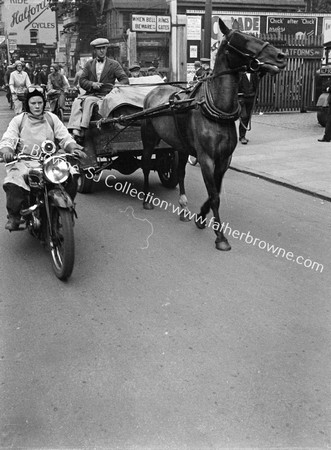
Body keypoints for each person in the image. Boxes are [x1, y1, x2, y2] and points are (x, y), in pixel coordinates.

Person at [0, 87, 85, 231]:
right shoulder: (19, 120)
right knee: (14, 182)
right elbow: (9, 138)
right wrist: (7, 151)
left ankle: (67, 206)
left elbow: (64, 137)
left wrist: (73, 147)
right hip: (25, 161)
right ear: (28, 104)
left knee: (71, 174)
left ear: (44, 103)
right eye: (33, 103)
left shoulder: (52, 118)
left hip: (50, 161)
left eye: (40, 102)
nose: (37, 106)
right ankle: (14, 216)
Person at [68, 38, 129, 141]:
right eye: (99, 49)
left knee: (88, 101)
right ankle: (74, 128)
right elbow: (82, 80)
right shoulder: (89, 64)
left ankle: (83, 129)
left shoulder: (114, 64)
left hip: (106, 95)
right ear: (95, 50)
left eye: (104, 48)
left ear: (106, 49)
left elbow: (125, 80)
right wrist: (92, 84)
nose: (102, 51)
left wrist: (115, 88)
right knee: (76, 101)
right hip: (91, 93)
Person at [238, 71, 259, 145]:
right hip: (242, 99)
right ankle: (242, 136)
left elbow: (256, 86)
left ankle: (242, 136)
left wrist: (256, 98)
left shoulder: (254, 74)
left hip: (251, 98)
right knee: (244, 116)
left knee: (247, 118)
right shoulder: (240, 75)